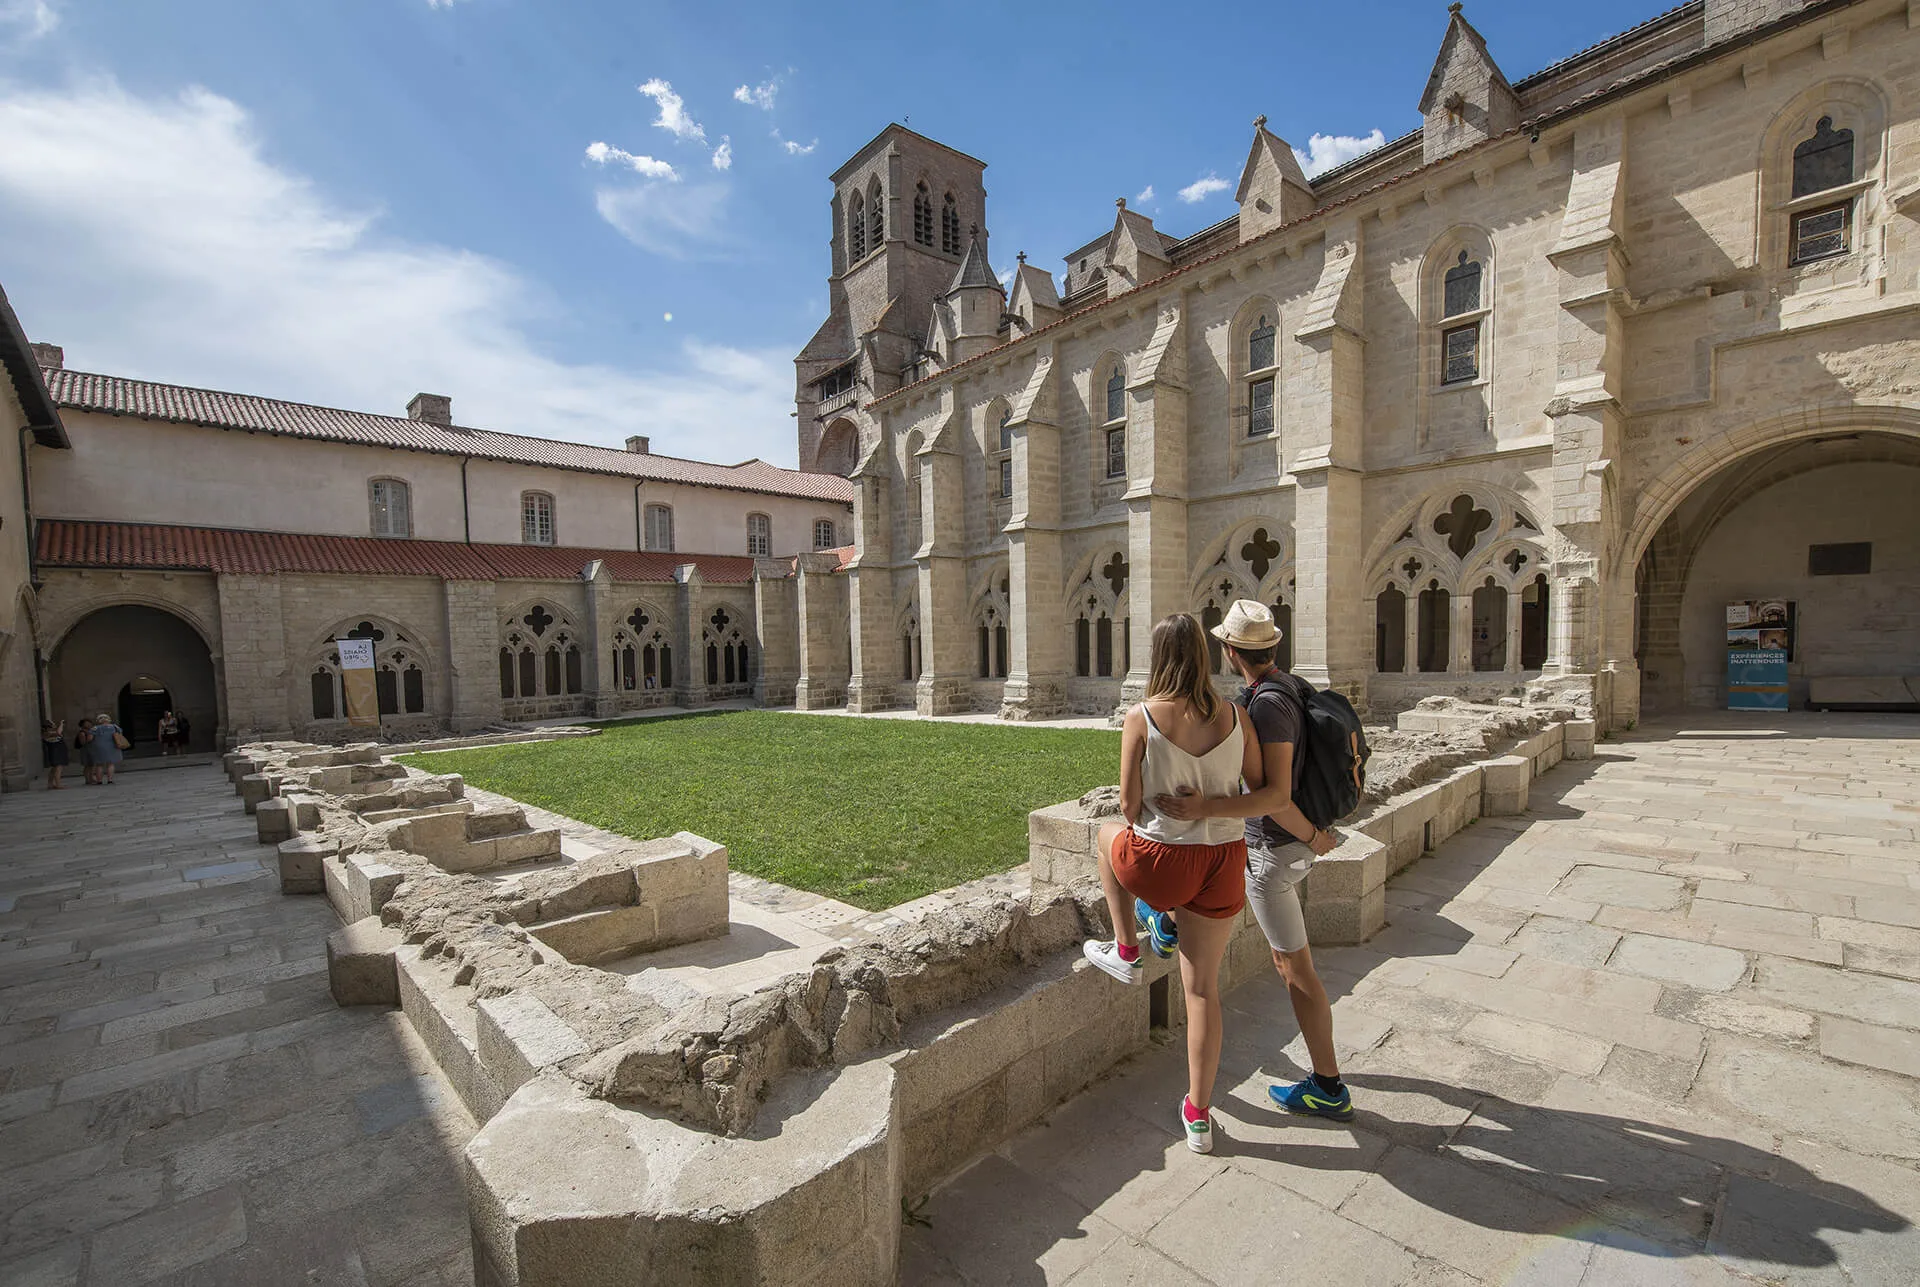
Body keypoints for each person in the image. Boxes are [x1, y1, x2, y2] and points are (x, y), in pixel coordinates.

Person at [1155, 600, 1350, 1121]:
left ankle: (1328, 1085)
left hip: (1277, 850)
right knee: (1239, 921)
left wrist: (1310, 835)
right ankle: (1168, 921)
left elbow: (1274, 796)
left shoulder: (1265, 707)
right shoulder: (1288, 687)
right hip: (1283, 848)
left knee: (1293, 966)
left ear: (1230, 650)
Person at [1081, 613, 1262, 1155]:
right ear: (1205, 656)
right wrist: (1210, 800)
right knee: (1203, 992)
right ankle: (1199, 1117)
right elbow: (1257, 787)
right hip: (1224, 860)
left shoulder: (1141, 717)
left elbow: (1130, 807)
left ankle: (1127, 946)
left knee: (1106, 836)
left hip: (1164, 863)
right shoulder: (1236, 716)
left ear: (1158, 657)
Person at [87, 711, 126, 784]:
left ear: (98, 720)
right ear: (108, 719)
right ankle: (110, 780)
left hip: (99, 747)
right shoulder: (115, 727)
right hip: (112, 746)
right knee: (110, 764)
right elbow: (120, 734)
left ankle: (99, 781)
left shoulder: (95, 728)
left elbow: (89, 739)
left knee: (99, 764)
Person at [41, 719, 69, 789]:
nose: (54, 725)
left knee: (54, 769)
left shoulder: (49, 733)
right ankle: (58, 784)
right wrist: (61, 724)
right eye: (52, 724)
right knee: (58, 768)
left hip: (58, 751)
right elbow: (58, 733)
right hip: (56, 752)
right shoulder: (47, 733)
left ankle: (50, 784)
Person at [74, 717, 98, 785]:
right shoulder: (82, 732)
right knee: (87, 765)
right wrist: (90, 737)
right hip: (86, 750)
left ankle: (91, 778)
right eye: (87, 723)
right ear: (82, 725)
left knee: (92, 765)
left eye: (89, 723)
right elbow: (83, 743)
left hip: (92, 750)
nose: (89, 724)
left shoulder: (91, 731)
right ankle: (87, 779)